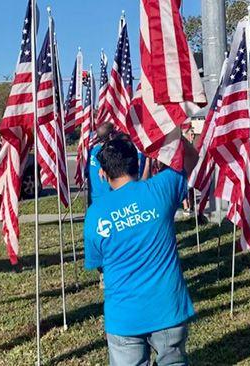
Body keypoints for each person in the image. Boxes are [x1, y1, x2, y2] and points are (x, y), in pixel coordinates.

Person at [83, 136, 198, 366]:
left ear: (103, 174)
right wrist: (170, 130)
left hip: (123, 317)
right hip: (167, 309)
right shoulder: (160, 189)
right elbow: (192, 158)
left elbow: (97, 260)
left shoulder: (96, 213)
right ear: (137, 163)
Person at [87, 123, 116, 206]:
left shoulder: (92, 151)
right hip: (109, 197)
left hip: (95, 197)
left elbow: (87, 174)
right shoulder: (109, 152)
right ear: (111, 135)